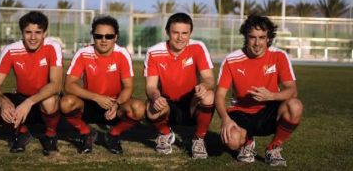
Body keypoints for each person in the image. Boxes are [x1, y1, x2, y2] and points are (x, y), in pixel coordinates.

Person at [215, 14, 303, 166]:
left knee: (295, 106)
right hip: (241, 112)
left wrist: (272, 96)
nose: (257, 43)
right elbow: (220, 95)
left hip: (269, 111)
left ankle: (273, 148)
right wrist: (225, 119)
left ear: (268, 38)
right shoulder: (231, 60)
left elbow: (292, 90)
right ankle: (247, 143)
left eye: (262, 37)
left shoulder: (279, 56)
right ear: (245, 37)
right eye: (252, 37)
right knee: (232, 141)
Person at [61, 15, 145, 155]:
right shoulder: (83, 53)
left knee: (139, 108)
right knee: (65, 103)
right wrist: (97, 98)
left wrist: (117, 104)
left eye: (109, 36)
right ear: (93, 37)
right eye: (99, 36)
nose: (104, 40)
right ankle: (86, 133)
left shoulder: (122, 54)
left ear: (116, 37)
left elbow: (128, 87)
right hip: (90, 102)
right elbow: (69, 85)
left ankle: (113, 134)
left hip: (114, 104)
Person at [0, 11, 63, 156]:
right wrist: (2, 102)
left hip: (43, 101)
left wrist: (29, 102)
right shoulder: (11, 50)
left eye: (38, 32)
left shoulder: (53, 47)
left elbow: (56, 84)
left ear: (44, 33)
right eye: (28, 32)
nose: (33, 37)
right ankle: (21, 131)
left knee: (49, 101)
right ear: (22, 33)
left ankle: (50, 135)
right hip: (22, 97)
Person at [144, 12, 215, 159]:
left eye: (185, 33)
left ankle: (199, 139)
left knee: (209, 96)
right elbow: (151, 87)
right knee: (150, 108)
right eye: (175, 32)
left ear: (190, 33)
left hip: (191, 102)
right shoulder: (154, 52)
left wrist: (204, 86)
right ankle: (165, 133)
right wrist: (156, 97)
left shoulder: (198, 47)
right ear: (167, 32)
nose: (180, 37)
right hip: (168, 104)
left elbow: (209, 78)